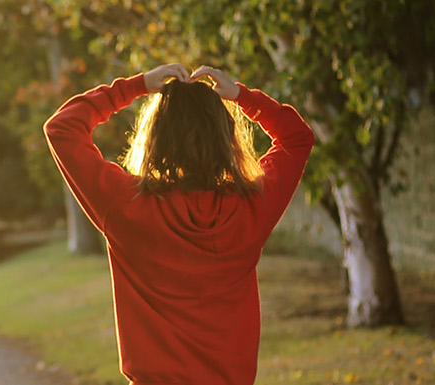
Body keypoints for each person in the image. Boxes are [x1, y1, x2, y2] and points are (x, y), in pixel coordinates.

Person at [43, 64, 314, 385]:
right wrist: (241, 96)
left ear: (155, 136)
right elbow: (296, 138)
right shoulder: (250, 207)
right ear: (226, 137)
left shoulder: (126, 205)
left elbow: (62, 128)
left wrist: (136, 86)